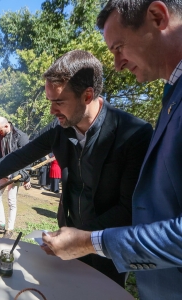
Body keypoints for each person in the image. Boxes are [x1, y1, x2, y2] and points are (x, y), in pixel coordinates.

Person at [0, 50, 153, 287]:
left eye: (58, 102)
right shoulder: (60, 128)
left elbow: (129, 207)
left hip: (105, 245)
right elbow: (20, 156)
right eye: (50, 102)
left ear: (87, 95)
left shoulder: (133, 134)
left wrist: (83, 238)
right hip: (67, 234)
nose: (51, 110)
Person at [40, 2, 182, 299]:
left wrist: (92, 241)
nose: (117, 64)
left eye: (119, 47)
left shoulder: (134, 130)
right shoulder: (172, 95)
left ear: (157, 17)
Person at [0, 117, 31, 239]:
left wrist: (26, 177)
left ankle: (9, 229)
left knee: (11, 201)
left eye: (0, 130)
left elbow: (28, 157)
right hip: (2, 172)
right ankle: (1, 223)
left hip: (15, 174)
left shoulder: (21, 136)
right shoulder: (2, 134)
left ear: (7, 126)